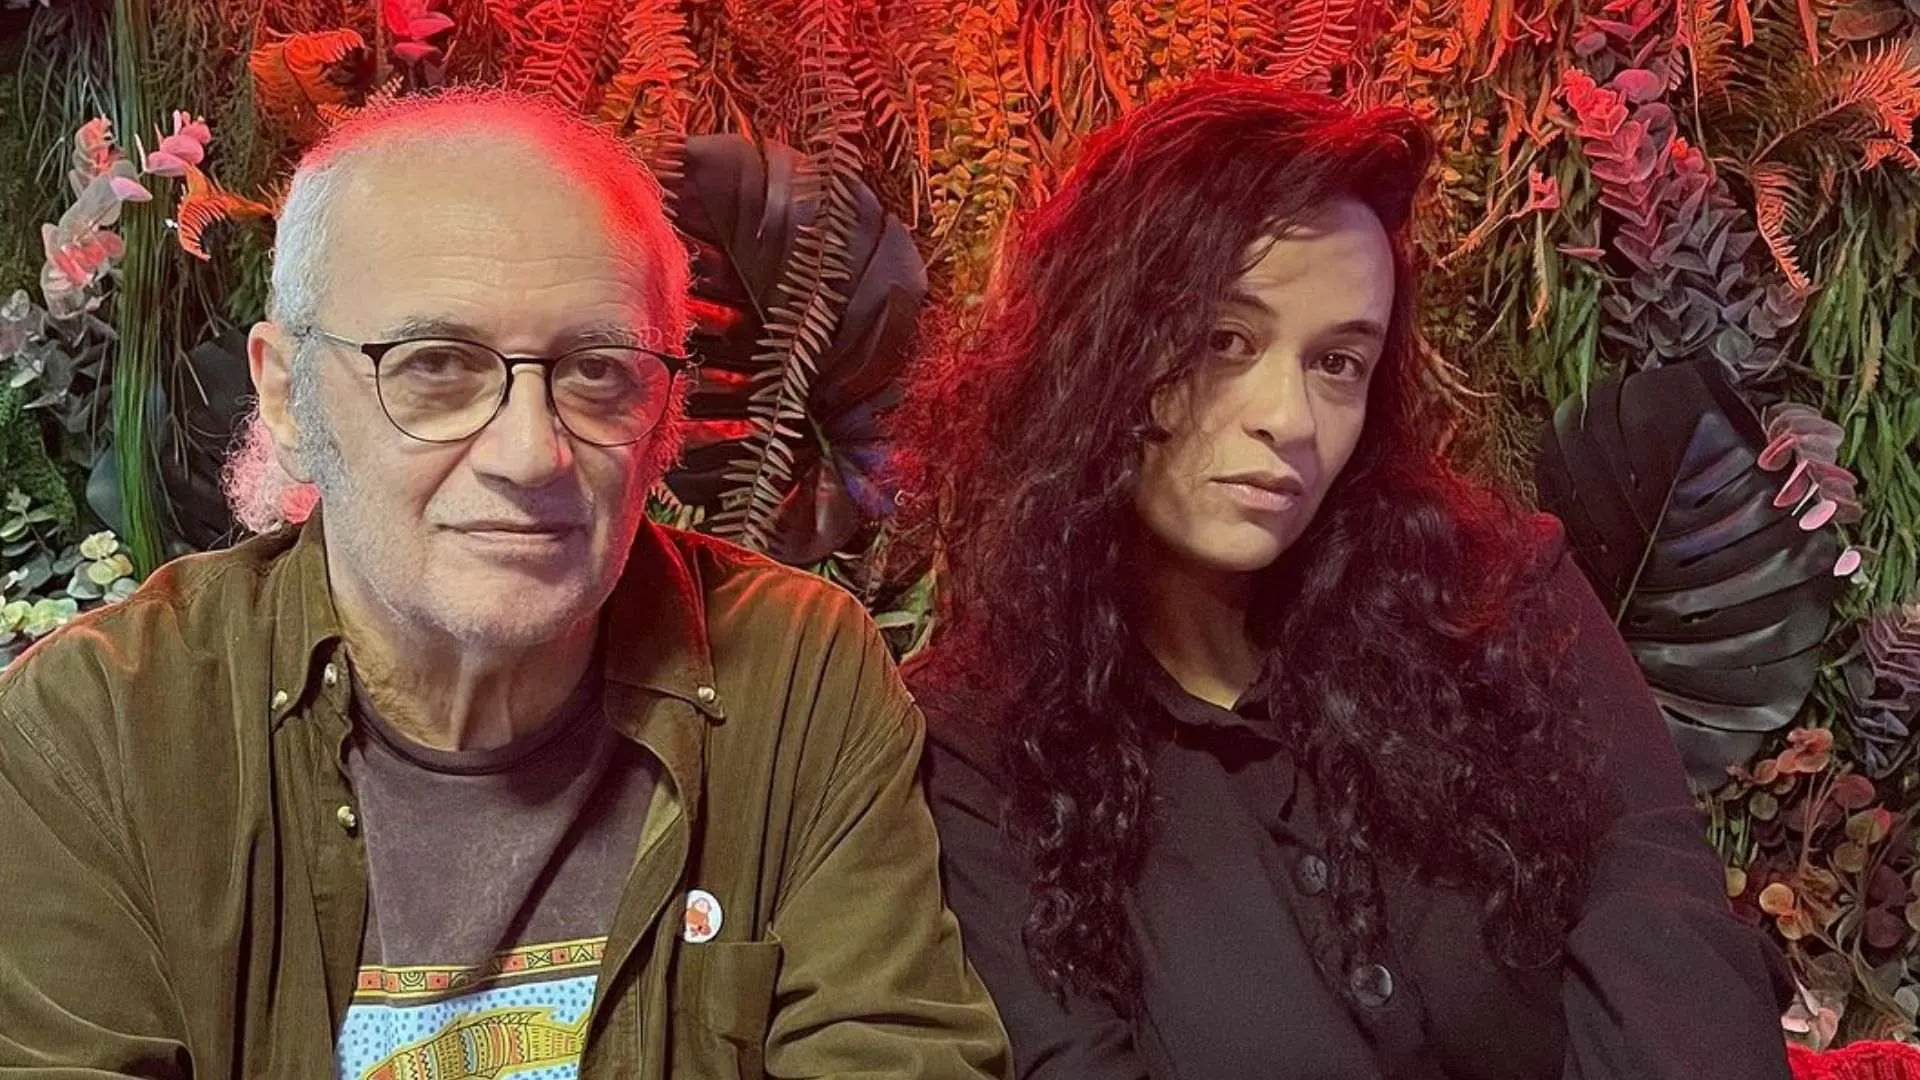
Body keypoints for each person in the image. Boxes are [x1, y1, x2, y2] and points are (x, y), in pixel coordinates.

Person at [0, 89, 1009, 1080]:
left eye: (599, 370)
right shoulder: (98, 732)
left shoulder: (791, 677)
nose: (531, 453)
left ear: (664, 412)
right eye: (436, 365)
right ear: (287, 396)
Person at [892, 73, 1793, 1080]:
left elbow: (1672, 945)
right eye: (1224, 341)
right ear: (1096, 348)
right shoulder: (984, 742)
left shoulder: (1495, 598)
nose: (1288, 418)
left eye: (1338, 362)